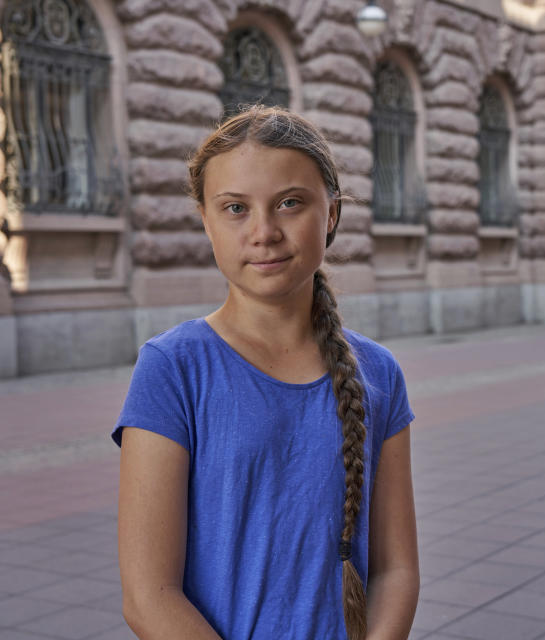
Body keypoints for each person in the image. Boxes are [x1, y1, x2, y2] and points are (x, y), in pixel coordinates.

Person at [114, 106, 419, 640]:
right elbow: (148, 596)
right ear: (206, 220)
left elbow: (396, 569)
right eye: (235, 208)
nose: (264, 232)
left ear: (331, 214)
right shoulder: (173, 368)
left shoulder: (379, 373)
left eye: (290, 203)